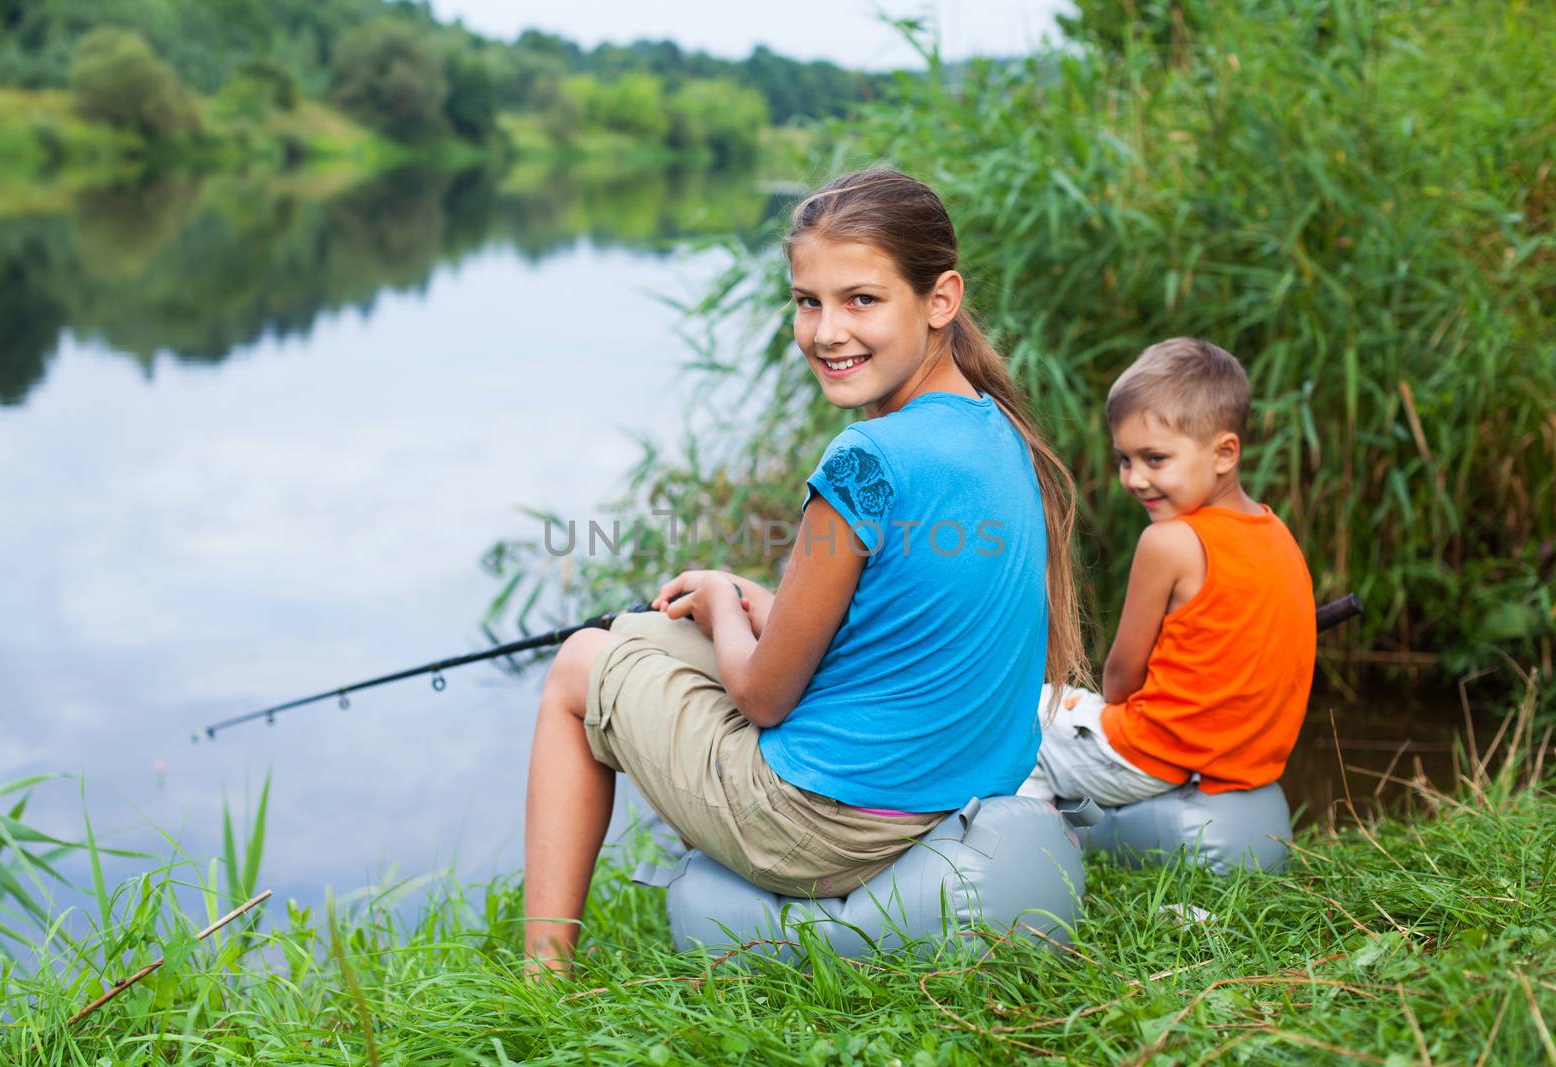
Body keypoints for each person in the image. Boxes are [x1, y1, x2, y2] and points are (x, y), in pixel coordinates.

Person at [520, 169, 1088, 974]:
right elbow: (901, 607)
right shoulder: (996, 428)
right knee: (644, 630)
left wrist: (721, 599)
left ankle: (543, 973)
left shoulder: (866, 458)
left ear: (941, 299)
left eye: (861, 300)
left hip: (829, 824)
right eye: (806, 300)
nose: (826, 331)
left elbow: (762, 696)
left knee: (580, 662)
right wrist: (760, 602)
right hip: (945, 788)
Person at [1019, 337, 1316, 807]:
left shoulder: (1168, 542)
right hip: (1237, 760)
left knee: (1022, 715)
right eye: (1125, 459)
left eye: (1155, 459)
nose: (1135, 478)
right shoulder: (1274, 530)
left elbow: (1119, 679)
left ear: (1224, 454)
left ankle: (1036, 837)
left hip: (1151, 756)